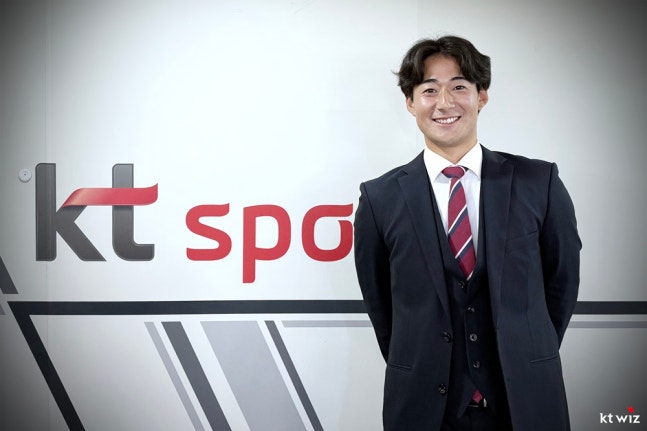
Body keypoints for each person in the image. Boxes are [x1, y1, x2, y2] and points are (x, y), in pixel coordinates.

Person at [353, 35, 581, 430]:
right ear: (410, 102)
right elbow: (381, 305)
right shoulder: (379, 198)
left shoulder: (538, 182)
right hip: (423, 409)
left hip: (525, 402)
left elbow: (561, 284)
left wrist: (525, 355)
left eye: (459, 87)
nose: (444, 102)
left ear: (482, 96)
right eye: (429, 90)